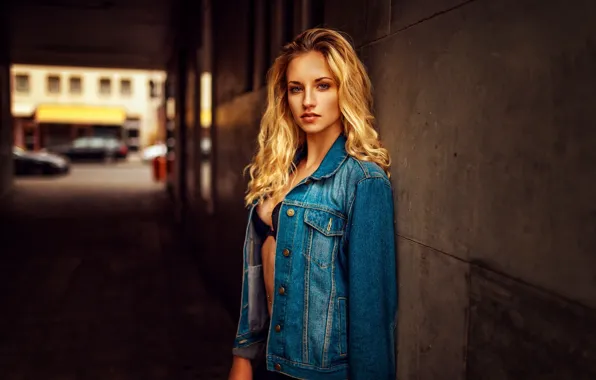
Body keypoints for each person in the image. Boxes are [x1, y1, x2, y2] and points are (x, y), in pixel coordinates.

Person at [228, 28, 397, 380]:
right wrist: (243, 358)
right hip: (270, 365)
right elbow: (255, 279)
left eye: (323, 85)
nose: (308, 100)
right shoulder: (276, 174)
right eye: (296, 88)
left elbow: (370, 318)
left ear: (344, 91)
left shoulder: (363, 182)